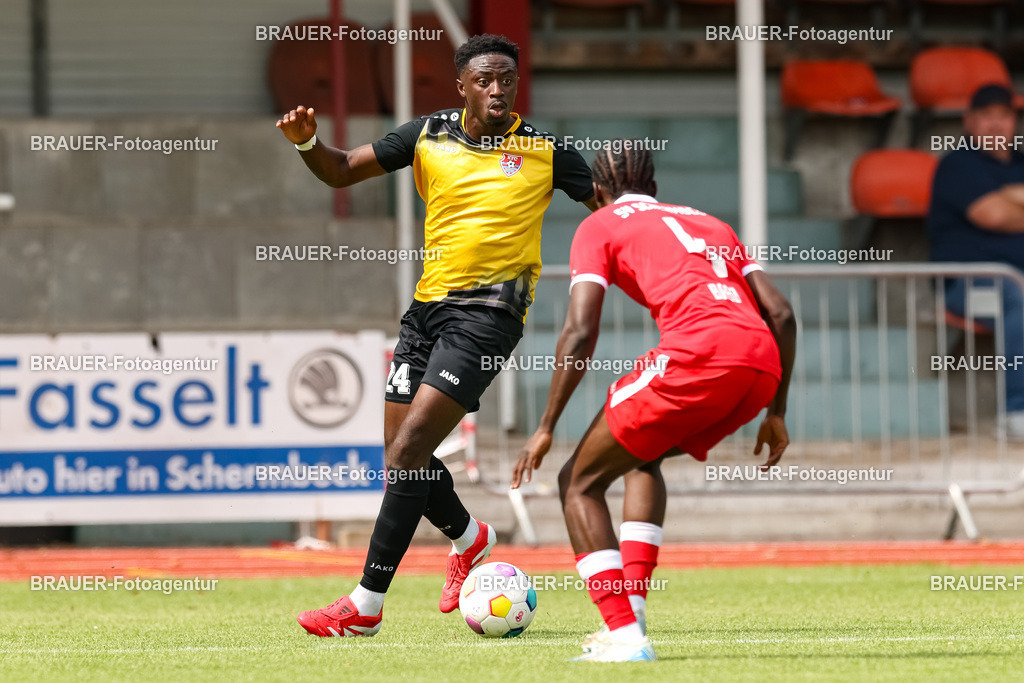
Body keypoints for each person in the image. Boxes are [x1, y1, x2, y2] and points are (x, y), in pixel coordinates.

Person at [276, 34, 596, 637]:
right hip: (425, 312)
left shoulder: (547, 151)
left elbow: (612, 207)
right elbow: (342, 171)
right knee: (401, 459)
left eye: (507, 79)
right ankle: (471, 538)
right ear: (463, 86)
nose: (498, 89)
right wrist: (308, 145)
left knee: (408, 452)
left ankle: (364, 606)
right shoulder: (426, 135)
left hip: (489, 317)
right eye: (485, 80)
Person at [510, 143, 795, 662]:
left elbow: (578, 332)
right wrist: (776, 412)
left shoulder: (597, 225)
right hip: (760, 365)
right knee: (644, 455)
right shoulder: (710, 223)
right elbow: (782, 313)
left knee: (577, 482)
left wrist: (547, 425)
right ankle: (634, 615)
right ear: (655, 189)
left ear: (596, 193)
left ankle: (623, 633)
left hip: (698, 356)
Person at [927, 83, 1024, 438]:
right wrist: (1006, 202)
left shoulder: (1020, 163)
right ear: (970, 121)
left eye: (1003, 115)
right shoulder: (958, 164)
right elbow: (993, 215)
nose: (996, 124)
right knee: (1016, 297)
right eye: (986, 116)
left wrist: (1012, 196)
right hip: (967, 286)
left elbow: (1002, 208)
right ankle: (1016, 414)